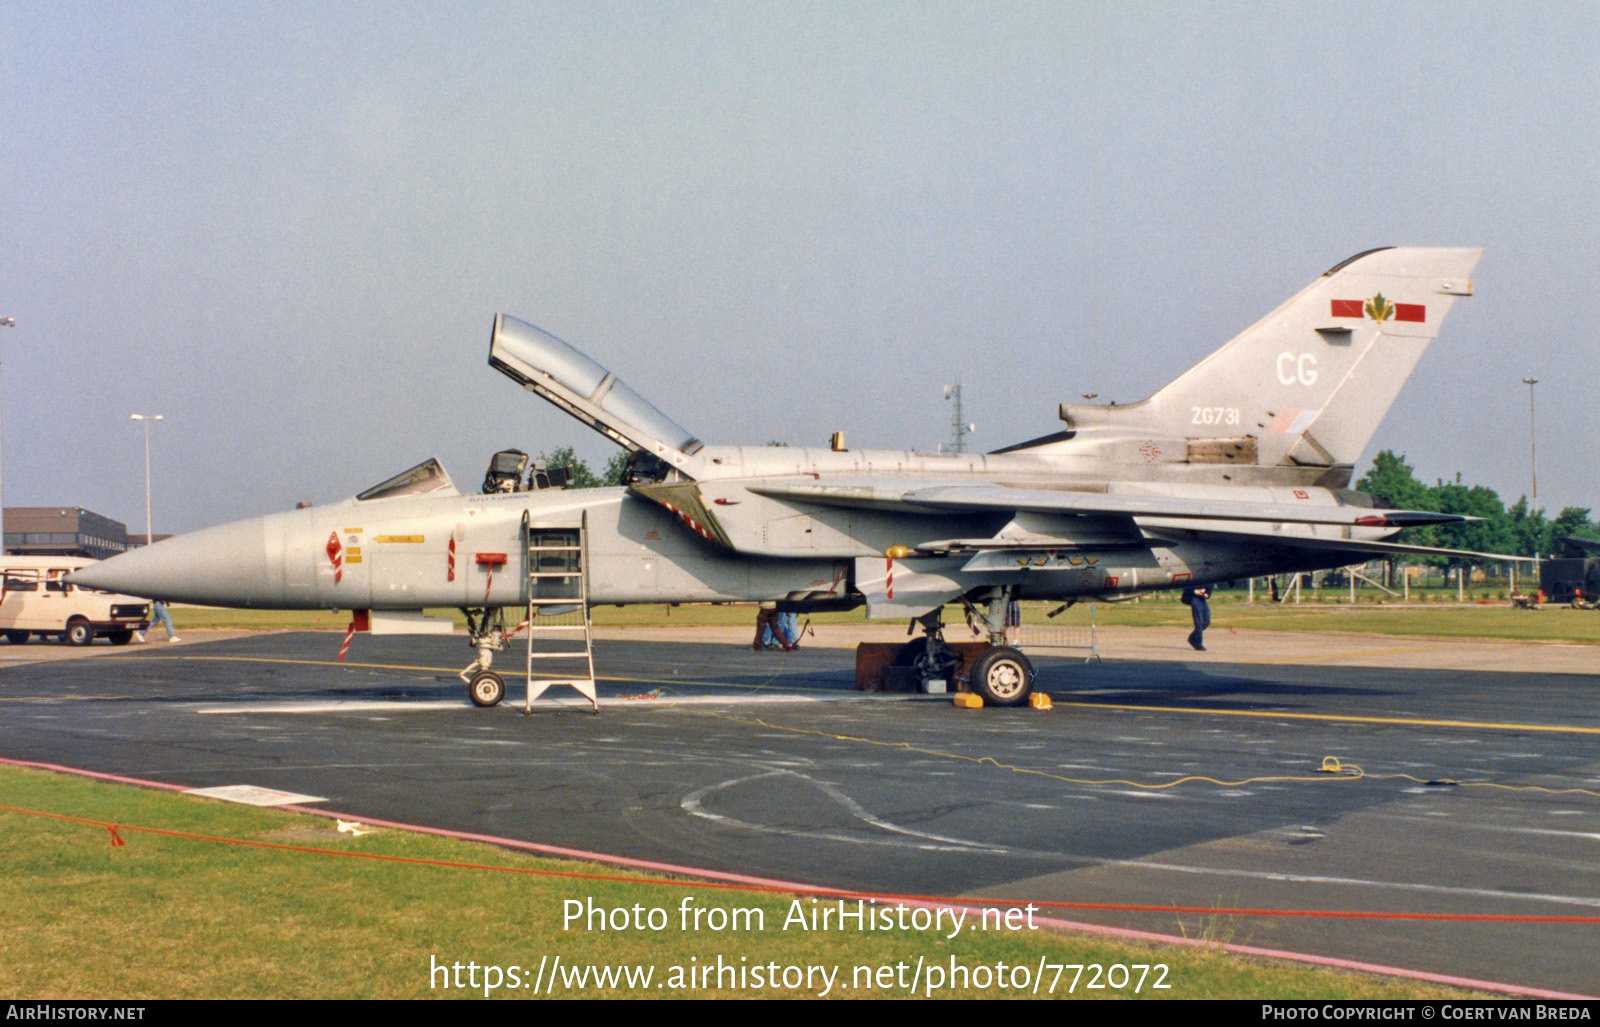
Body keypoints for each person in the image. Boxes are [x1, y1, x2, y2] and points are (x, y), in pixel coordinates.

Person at [1181, 585, 1210, 651]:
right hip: (1194, 598)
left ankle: (1192, 638)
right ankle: (1198, 644)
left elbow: (1209, 588)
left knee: (1206, 622)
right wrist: (1194, 591)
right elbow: (1187, 587)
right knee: (1199, 623)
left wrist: (1207, 594)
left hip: (1202, 599)